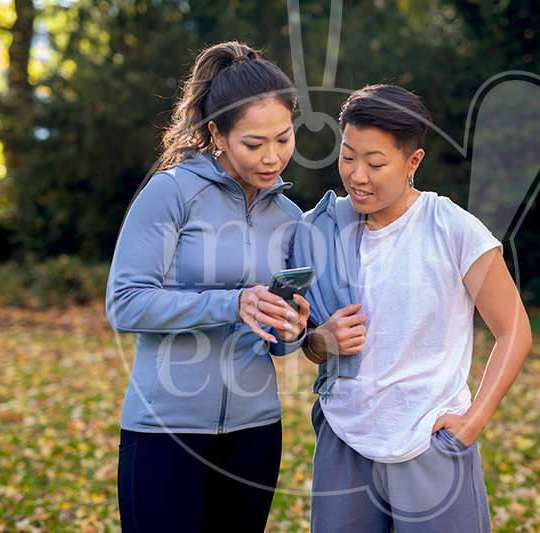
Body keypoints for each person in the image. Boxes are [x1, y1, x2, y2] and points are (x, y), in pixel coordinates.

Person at [292, 84, 532, 532]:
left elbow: (514, 330)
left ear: (413, 163)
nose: (357, 175)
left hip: (430, 444)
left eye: (375, 162)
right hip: (344, 440)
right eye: (348, 156)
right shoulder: (319, 231)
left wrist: (471, 422)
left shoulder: (453, 229)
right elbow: (307, 344)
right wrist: (320, 341)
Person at [105, 41, 310, 532]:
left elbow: (280, 341)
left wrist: (293, 328)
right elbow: (125, 304)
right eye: (254, 143)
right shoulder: (171, 192)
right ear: (217, 133)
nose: (272, 157)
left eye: (283, 139)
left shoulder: (289, 217)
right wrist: (232, 303)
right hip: (166, 429)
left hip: (256, 431)